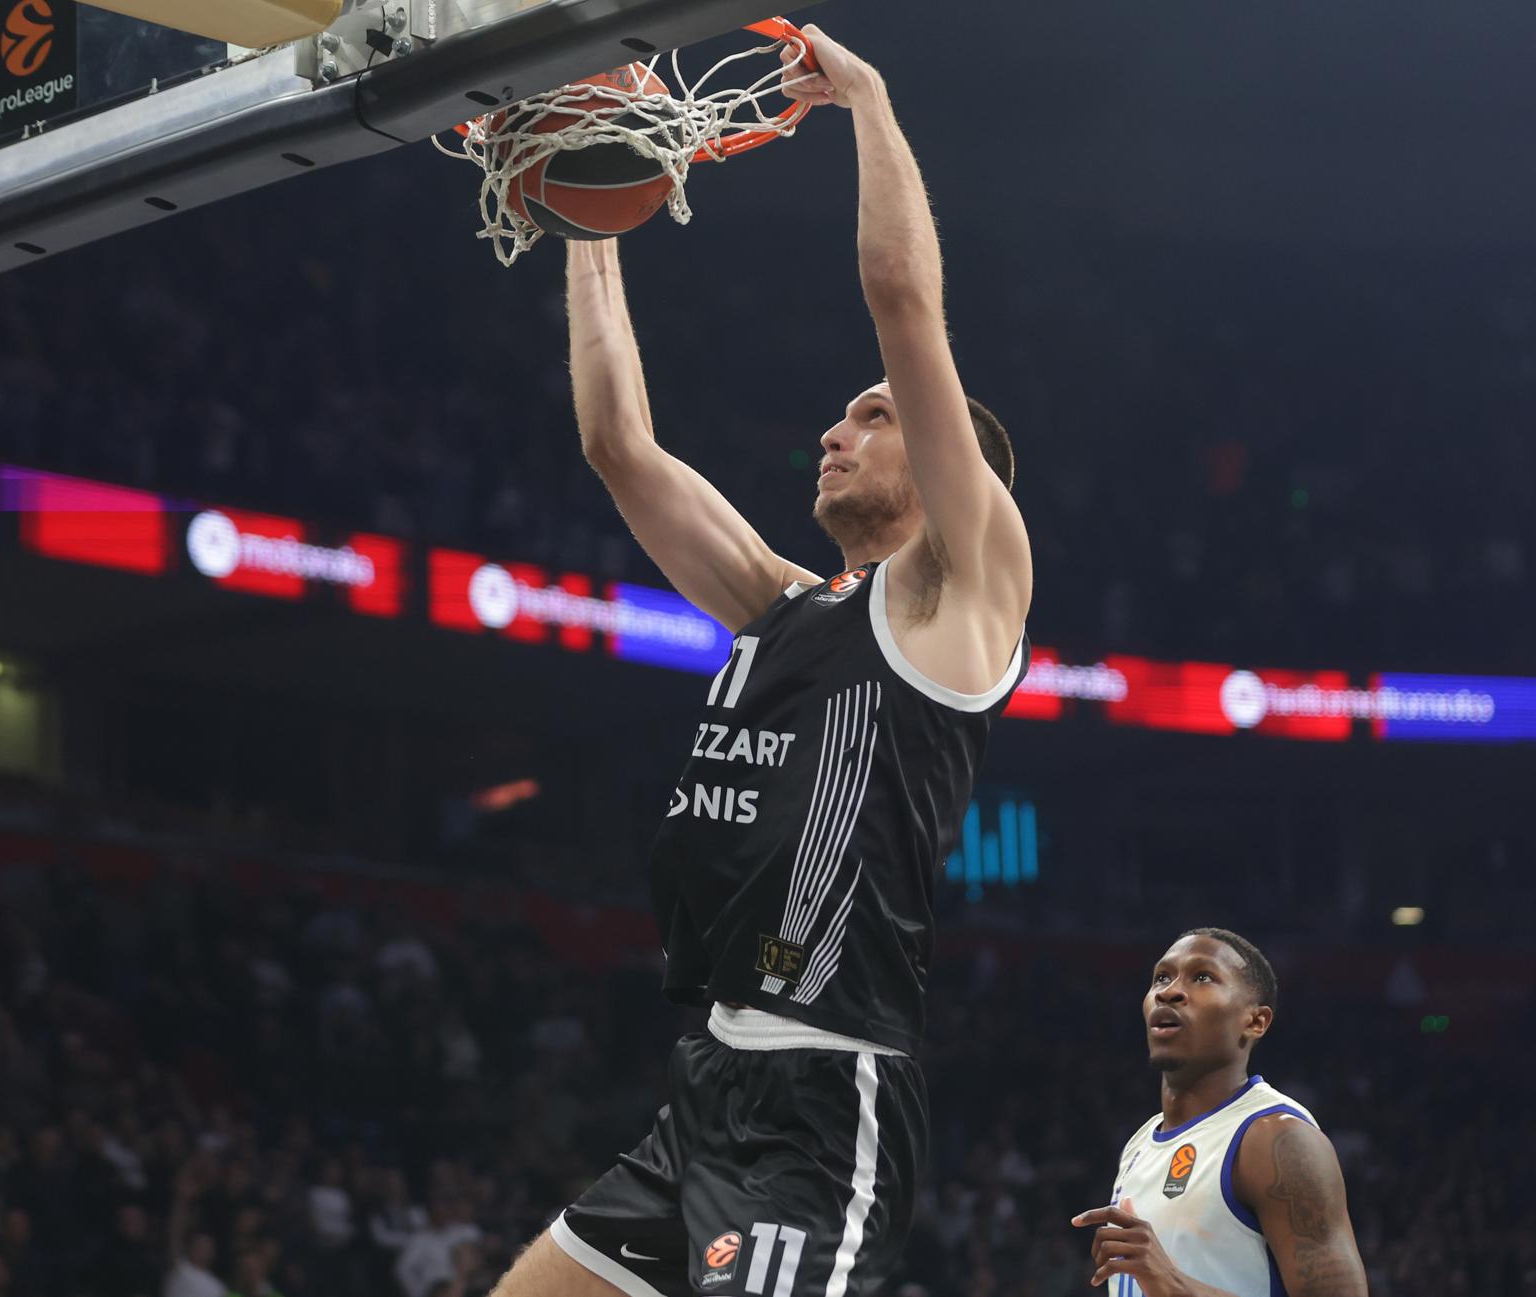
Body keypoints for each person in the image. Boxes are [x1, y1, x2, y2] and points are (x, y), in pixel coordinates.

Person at [490, 21, 1032, 1297]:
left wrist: (872, 103)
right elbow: (619, 443)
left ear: (959, 471)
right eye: (842, 415)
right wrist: (587, 213)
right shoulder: (787, 607)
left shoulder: (970, 588)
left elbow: (905, 302)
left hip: (822, 1092)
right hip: (712, 1078)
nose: (835, 432)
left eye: (874, 416)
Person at [1071, 930, 1368, 1297]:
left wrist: (1175, 1284)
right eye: (1162, 977)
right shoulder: (1140, 1144)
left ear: (1255, 1022)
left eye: (1202, 977)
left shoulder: (1276, 1137)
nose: (1169, 991)